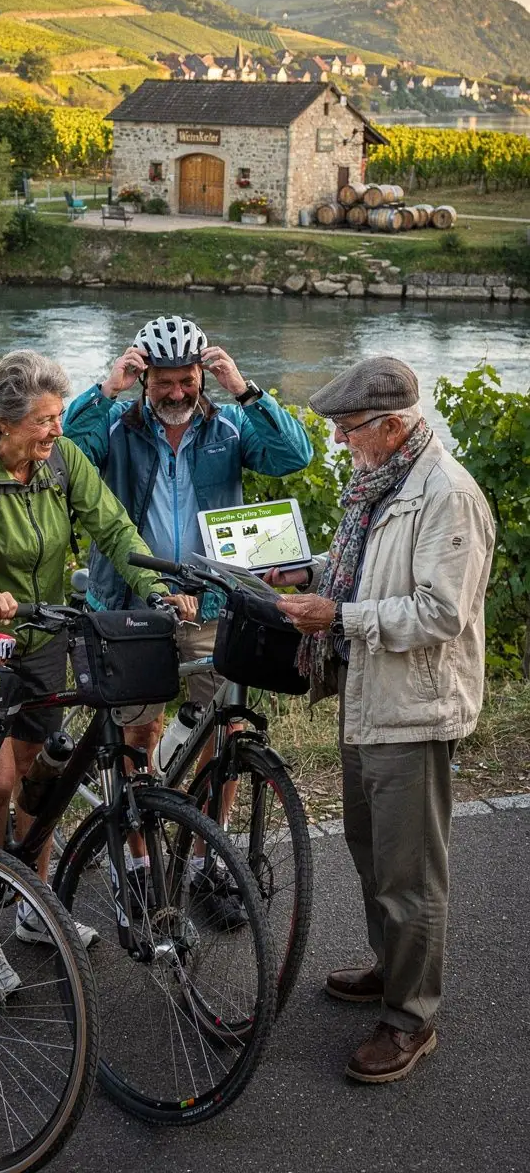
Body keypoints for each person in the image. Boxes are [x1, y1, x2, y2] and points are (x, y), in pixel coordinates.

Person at [0, 349, 190, 993]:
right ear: (4, 421)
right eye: (43, 420)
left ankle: (34, 907)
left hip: (43, 637)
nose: (55, 430)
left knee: (40, 779)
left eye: (56, 418)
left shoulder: (62, 461)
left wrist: (153, 586)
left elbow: (113, 526)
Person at [265, 356, 494, 1085]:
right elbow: (367, 567)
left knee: (412, 875)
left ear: (394, 426)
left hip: (415, 707)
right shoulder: (384, 479)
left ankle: (411, 1018)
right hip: (372, 696)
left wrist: (340, 614)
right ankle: (389, 969)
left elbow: (440, 613)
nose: (339, 443)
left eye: (350, 429)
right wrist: (313, 574)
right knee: (371, 850)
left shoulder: (445, 495)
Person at [62, 314, 313, 924]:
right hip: (130, 603)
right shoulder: (118, 425)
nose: (176, 394)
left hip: (213, 602)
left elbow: (293, 455)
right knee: (138, 739)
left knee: (222, 734)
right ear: (145, 378)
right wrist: (105, 389)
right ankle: (141, 873)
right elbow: (66, 455)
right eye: (163, 383)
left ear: (204, 372)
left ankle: (209, 861)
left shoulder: (228, 424)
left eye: (187, 380)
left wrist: (247, 389)